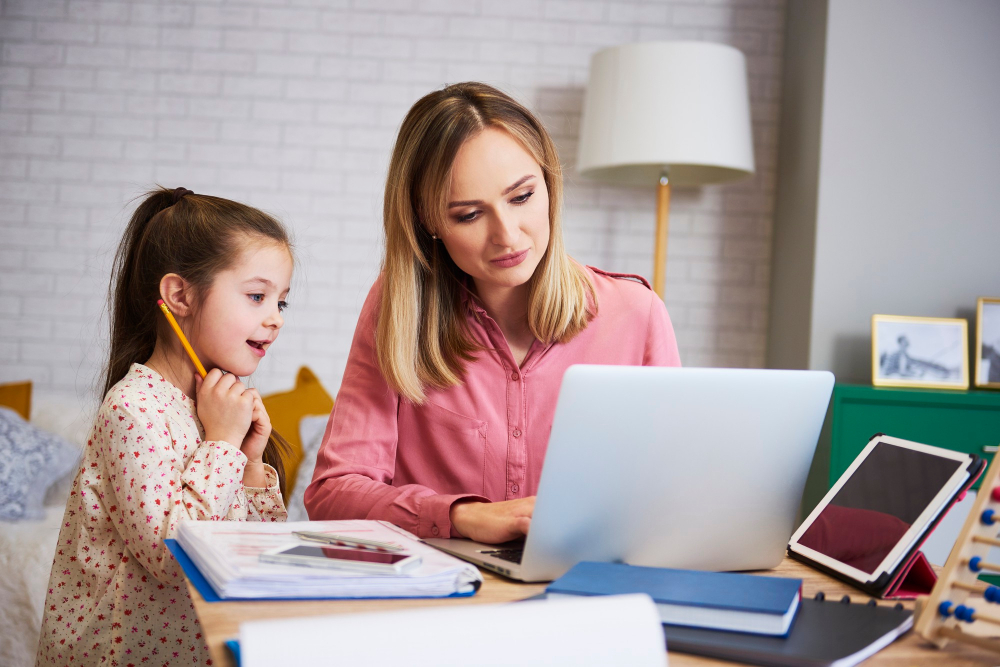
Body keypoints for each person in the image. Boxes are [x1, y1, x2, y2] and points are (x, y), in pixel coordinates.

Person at [305, 82, 681, 545]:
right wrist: (460, 517)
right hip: (439, 598)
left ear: (549, 186)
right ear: (429, 222)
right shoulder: (398, 308)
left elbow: (671, 495)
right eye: (468, 215)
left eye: (521, 197)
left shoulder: (636, 314)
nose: (507, 236)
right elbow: (333, 493)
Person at [36, 187, 292, 666]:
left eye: (282, 302)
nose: (275, 319)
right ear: (179, 295)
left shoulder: (218, 409)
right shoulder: (134, 408)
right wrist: (221, 445)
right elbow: (170, 560)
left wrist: (251, 459)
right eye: (257, 296)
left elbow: (252, 556)